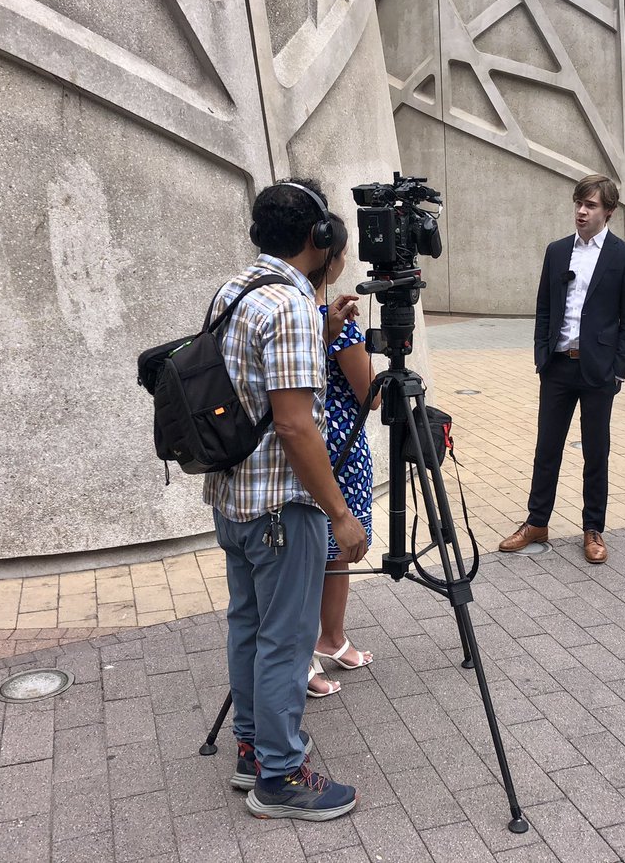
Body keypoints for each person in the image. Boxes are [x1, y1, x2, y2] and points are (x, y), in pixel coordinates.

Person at [205, 179, 367, 821]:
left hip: (234, 500)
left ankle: (253, 750)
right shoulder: (292, 307)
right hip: (281, 507)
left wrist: (322, 328)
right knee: (287, 641)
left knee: (249, 627)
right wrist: (341, 515)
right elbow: (296, 426)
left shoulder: (236, 291)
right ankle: (280, 776)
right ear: (318, 237)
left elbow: (251, 378)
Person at [498, 174, 625, 564]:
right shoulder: (557, 251)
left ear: (608, 212)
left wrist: (619, 371)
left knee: (596, 452)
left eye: (590, 205)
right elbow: (544, 306)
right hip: (558, 367)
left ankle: (593, 528)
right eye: (578, 203)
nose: (581, 211)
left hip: (599, 371)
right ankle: (536, 522)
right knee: (547, 448)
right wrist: (541, 356)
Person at [308, 213, 379, 699]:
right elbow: (370, 395)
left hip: (315, 446)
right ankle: (305, 656)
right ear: (329, 257)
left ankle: (330, 639)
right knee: (329, 552)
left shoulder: (301, 314)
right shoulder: (340, 327)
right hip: (338, 447)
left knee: (329, 554)